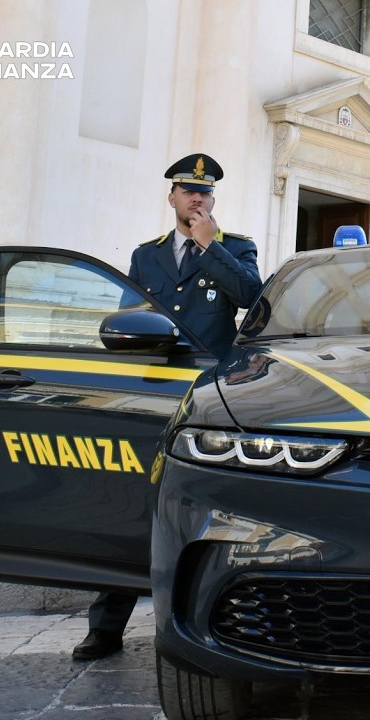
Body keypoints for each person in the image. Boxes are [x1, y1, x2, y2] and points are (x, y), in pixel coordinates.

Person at [72, 153, 262, 661]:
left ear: (213, 201)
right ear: (172, 197)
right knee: (132, 501)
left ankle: (213, 625)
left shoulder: (236, 248)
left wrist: (210, 246)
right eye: (186, 190)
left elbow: (252, 297)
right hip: (152, 393)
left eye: (203, 192)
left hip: (207, 402)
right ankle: (106, 628)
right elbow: (131, 321)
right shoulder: (146, 256)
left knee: (207, 509)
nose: (195, 198)